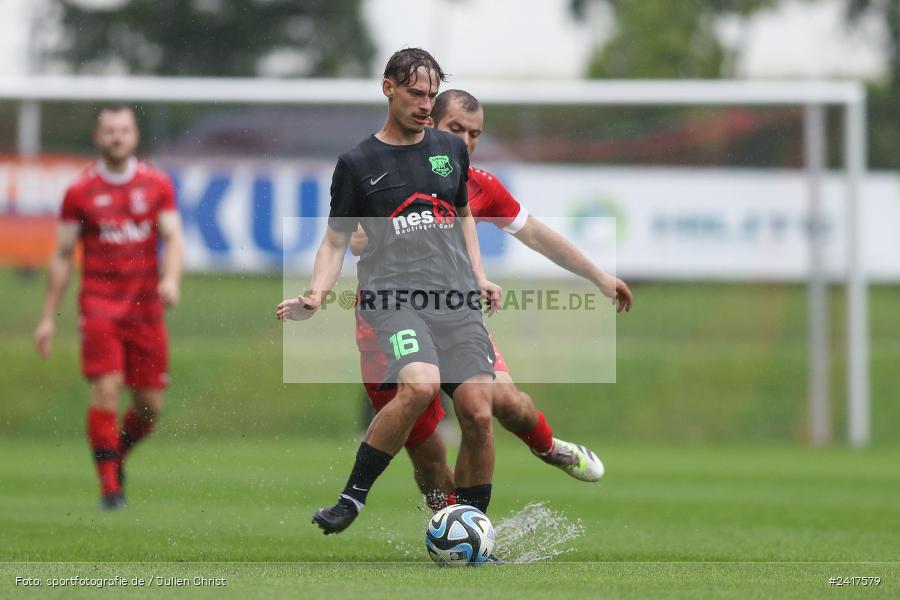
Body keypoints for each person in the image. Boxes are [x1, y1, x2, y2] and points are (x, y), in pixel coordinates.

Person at [351, 89, 634, 510]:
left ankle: (547, 447)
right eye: (456, 130)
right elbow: (354, 240)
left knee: (502, 405)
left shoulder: (479, 185)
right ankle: (457, 531)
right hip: (391, 327)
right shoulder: (390, 176)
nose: (466, 142)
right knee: (429, 460)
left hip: (453, 318)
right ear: (429, 124)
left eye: (475, 134)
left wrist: (597, 275)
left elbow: (535, 233)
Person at [276, 48, 502, 535]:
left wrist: (479, 276)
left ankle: (471, 532)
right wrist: (316, 294)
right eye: (417, 94)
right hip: (394, 301)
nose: (426, 104)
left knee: (480, 413)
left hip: (455, 301)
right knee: (420, 386)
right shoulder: (358, 163)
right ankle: (351, 499)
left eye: (432, 95)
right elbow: (335, 240)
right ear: (388, 88)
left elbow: (462, 217)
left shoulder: (450, 150)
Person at [33, 104, 184, 510]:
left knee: (150, 407)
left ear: (134, 136)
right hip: (98, 308)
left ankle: (114, 456)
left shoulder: (156, 184)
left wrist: (170, 279)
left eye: (124, 130)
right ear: (98, 138)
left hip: (146, 311)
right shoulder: (80, 191)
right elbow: (63, 254)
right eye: (109, 131)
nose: (117, 136)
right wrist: (48, 317)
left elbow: (173, 237)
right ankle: (109, 489)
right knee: (106, 390)